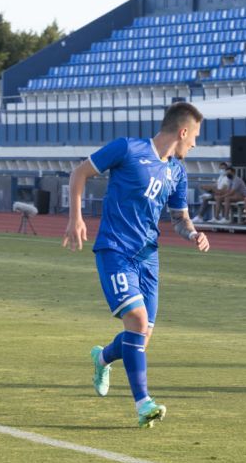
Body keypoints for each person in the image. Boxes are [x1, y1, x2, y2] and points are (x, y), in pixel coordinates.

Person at [64, 101, 209, 428]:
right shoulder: (127, 149)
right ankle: (144, 404)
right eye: (195, 136)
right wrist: (75, 219)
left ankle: (102, 358)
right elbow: (79, 173)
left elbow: (179, 218)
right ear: (183, 131)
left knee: (140, 337)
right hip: (115, 250)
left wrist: (193, 233)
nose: (196, 143)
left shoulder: (177, 171)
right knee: (138, 321)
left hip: (148, 258)